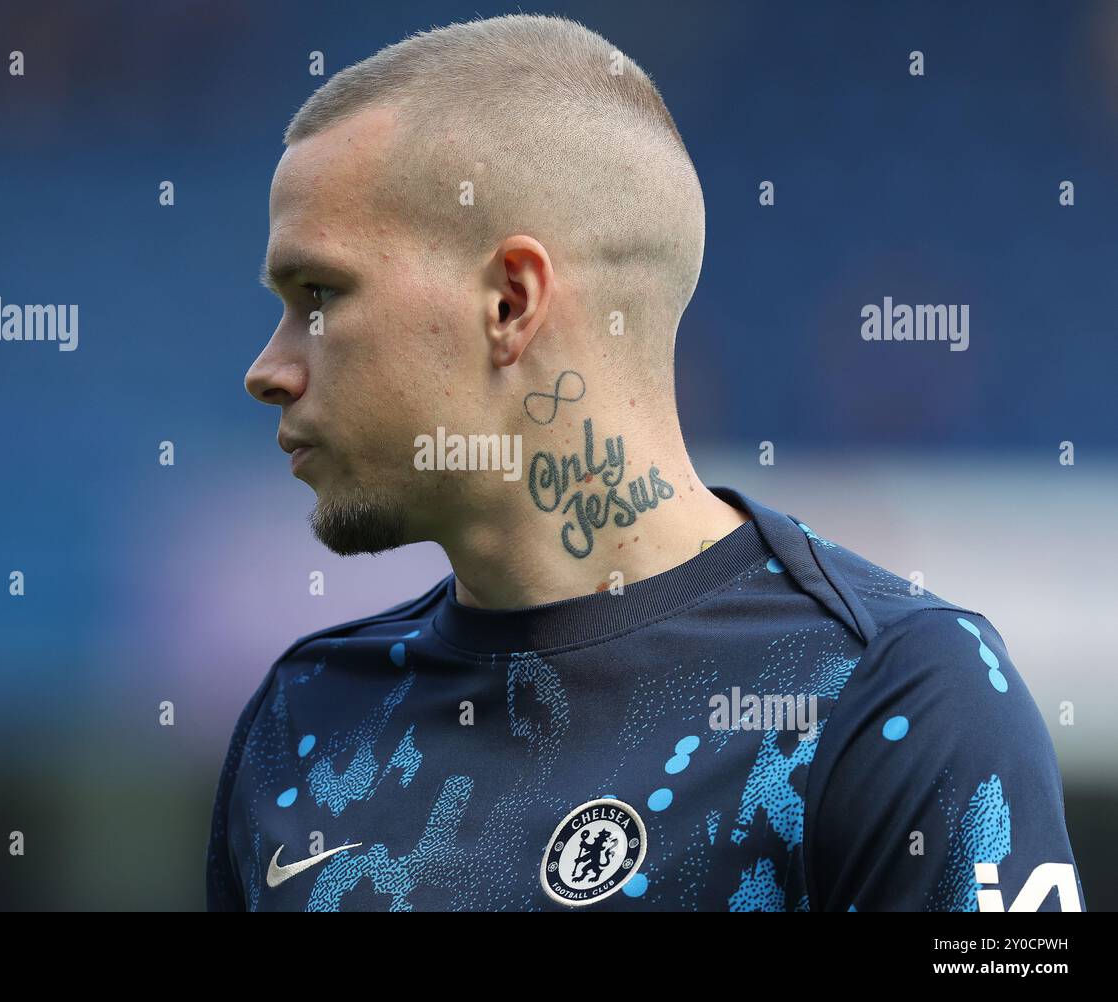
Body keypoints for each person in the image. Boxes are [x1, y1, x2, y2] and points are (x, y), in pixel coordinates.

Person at [207, 13, 1084, 911]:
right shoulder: (304, 721)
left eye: (318, 294)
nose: (268, 370)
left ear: (511, 301)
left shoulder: (892, 696)